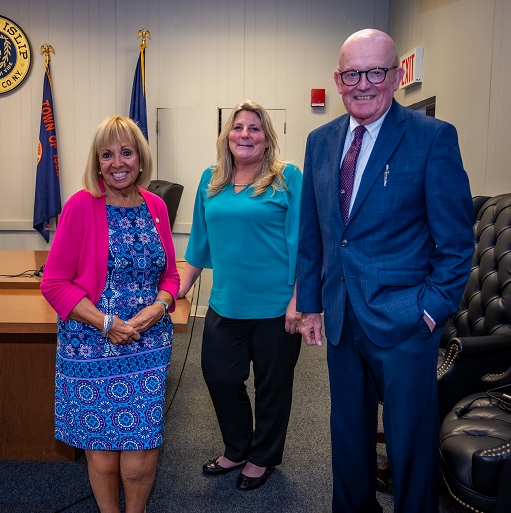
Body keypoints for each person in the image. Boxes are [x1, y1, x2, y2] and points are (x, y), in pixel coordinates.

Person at [297, 29, 474, 513]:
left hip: (406, 322)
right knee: (348, 435)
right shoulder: (319, 141)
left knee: (410, 445)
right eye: (352, 73)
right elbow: (316, 233)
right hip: (341, 317)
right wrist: (310, 303)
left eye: (376, 72)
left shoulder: (432, 138)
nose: (364, 83)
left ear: (396, 76)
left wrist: (430, 311)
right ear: (338, 79)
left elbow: (456, 244)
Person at [41, 115, 180, 513]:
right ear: (97, 162)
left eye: (126, 152)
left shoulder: (155, 206)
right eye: (107, 154)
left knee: (143, 444)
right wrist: (105, 322)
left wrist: (160, 306)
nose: (117, 162)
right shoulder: (81, 206)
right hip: (91, 343)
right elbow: (54, 283)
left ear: (140, 158)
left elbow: (170, 275)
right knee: (101, 448)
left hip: (147, 341)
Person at [178, 100, 302, 491]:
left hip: (276, 307)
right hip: (225, 305)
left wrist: (300, 301)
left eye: (254, 128)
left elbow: (305, 242)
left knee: (272, 386)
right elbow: (199, 243)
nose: (245, 135)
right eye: (238, 127)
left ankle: (261, 457)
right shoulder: (210, 180)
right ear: (227, 136)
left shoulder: (288, 178)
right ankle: (237, 447)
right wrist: (175, 292)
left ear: (267, 138)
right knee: (219, 377)